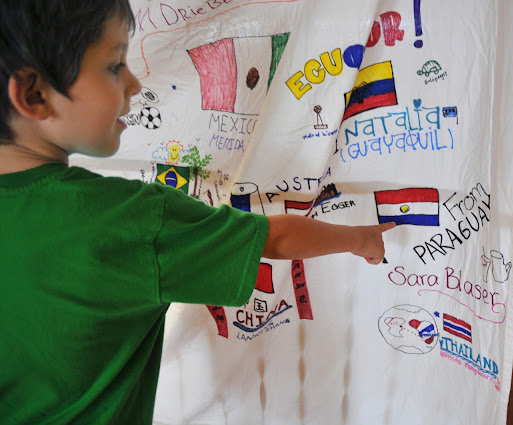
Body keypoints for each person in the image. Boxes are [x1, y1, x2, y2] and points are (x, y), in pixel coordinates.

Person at [0, 1, 394, 423]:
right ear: (34, 94)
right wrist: (359, 238)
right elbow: (275, 238)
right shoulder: (131, 220)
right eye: (114, 66)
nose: (134, 83)